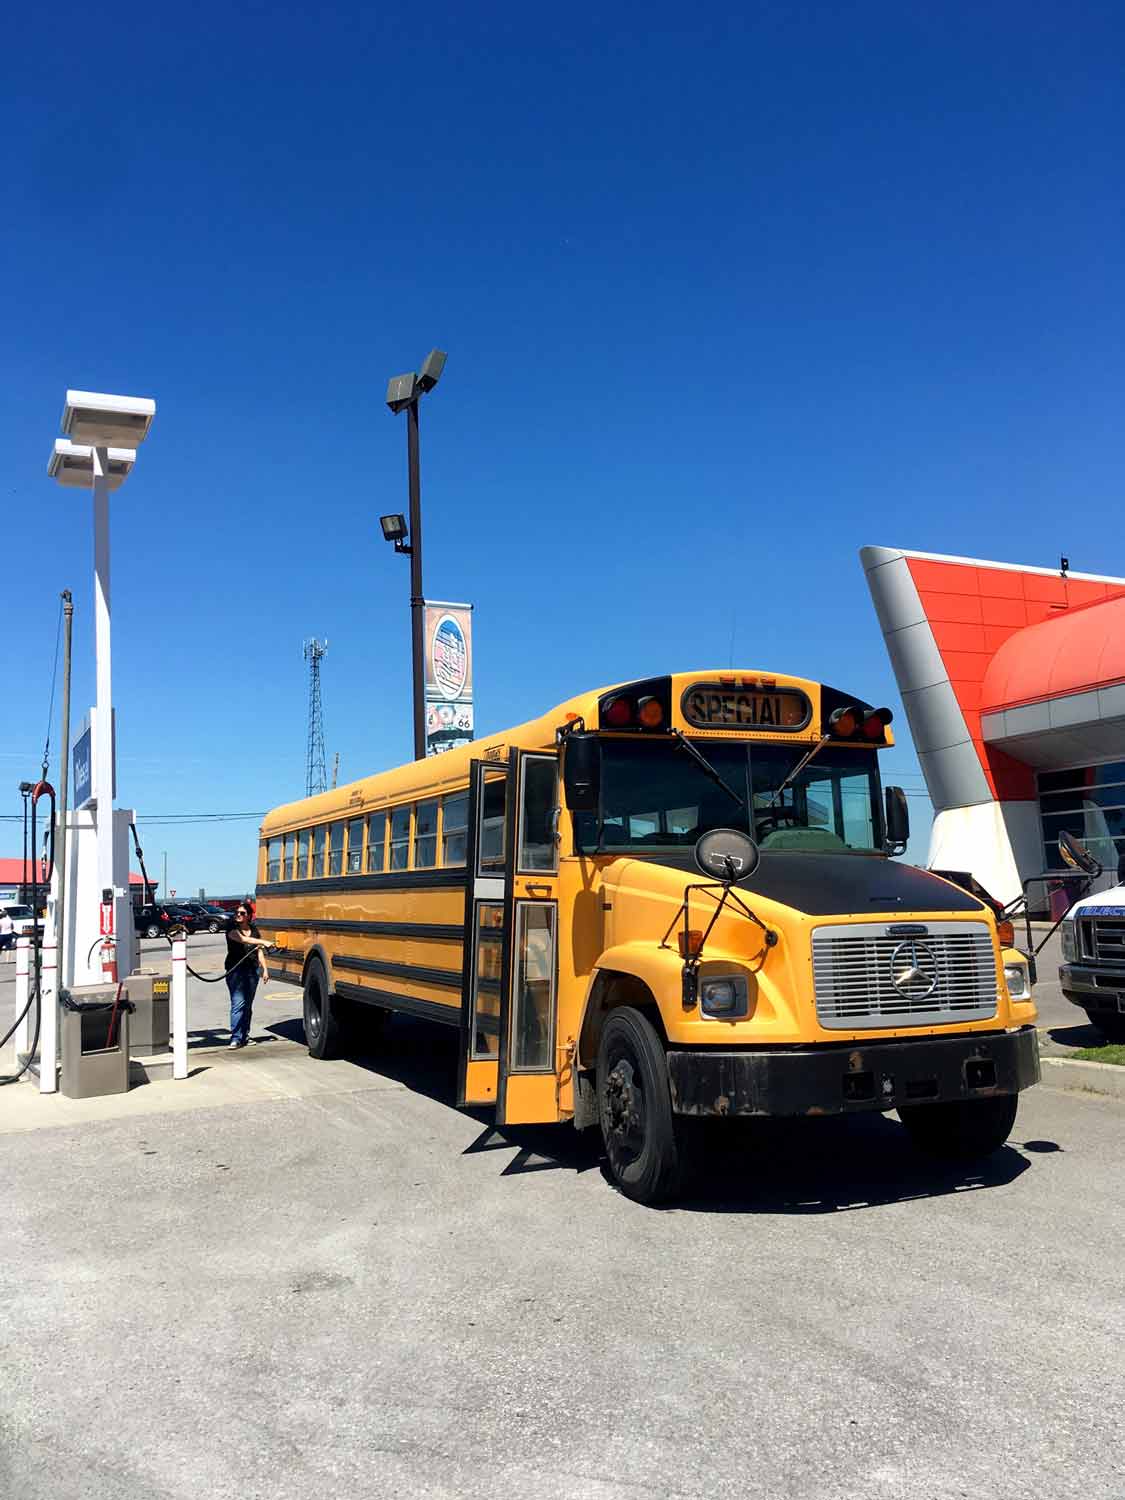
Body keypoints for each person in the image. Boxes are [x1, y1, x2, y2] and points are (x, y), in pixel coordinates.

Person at [225, 903, 270, 1049]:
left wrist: (265, 969)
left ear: (249, 916)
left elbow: (259, 951)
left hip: (252, 971)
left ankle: (245, 1035)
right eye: (237, 912)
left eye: (242, 913)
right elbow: (244, 940)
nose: (238, 915)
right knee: (238, 1004)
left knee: (248, 1006)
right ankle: (236, 1038)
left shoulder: (254, 931)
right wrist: (264, 941)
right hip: (235, 971)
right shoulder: (232, 929)